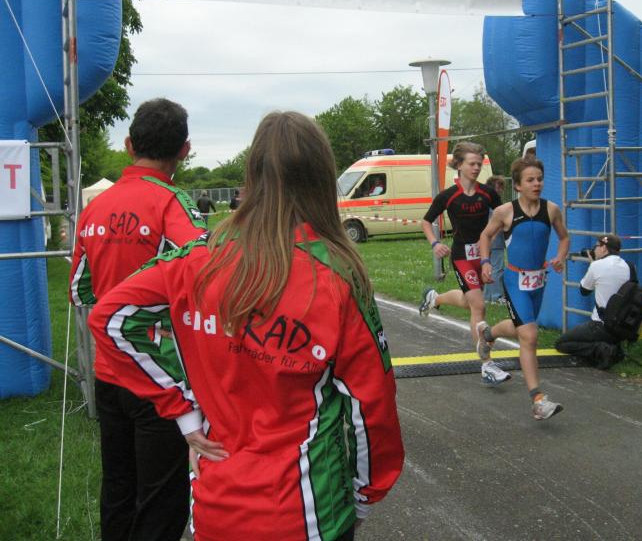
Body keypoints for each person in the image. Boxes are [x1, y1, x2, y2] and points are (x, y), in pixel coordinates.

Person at [87, 111, 404, 541]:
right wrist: (366, 494)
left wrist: (184, 413)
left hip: (216, 510)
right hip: (309, 516)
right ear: (321, 178)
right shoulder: (337, 276)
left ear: (252, 175)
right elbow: (372, 406)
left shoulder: (198, 258)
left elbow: (109, 316)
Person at [69, 98, 206, 541]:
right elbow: (204, 275)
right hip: (159, 372)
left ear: (129, 145)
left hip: (109, 371)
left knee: (119, 486)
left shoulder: (95, 207)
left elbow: (79, 290)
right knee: (161, 499)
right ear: (184, 150)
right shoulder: (172, 202)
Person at [477, 156, 569, 420]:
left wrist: (560, 256)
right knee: (529, 335)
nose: (537, 184)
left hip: (538, 280)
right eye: (530, 180)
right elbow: (486, 235)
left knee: (521, 327)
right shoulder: (505, 211)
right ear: (517, 185)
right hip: (515, 280)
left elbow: (564, 237)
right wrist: (485, 262)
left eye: (539, 179)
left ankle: (488, 334)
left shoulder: (551, 210)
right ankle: (538, 400)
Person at [417, 141, 509, 385]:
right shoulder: (448, 196)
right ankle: (487, 365)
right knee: (478, 305)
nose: (477, 168)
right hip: (461, 257)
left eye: (479, 164)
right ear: (459, 165)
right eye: (472, 164)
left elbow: (504, 218)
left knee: (469, 302)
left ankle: (435, 298)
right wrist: (435, 243)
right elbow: (426, 221)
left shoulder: (488, 193)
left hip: (483, 256)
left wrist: (495, 238)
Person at [555, 234, 632, 369]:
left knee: (561, 343)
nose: (594, 250)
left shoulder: (597, 265)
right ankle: (613, 347)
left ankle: (601, 349)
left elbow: (584, 291)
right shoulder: (628, 265)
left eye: (596, 246)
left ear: (604, 248)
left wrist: (592, 264)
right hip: (622, 326)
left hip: (600, 326)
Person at [483, 175, 506, 303]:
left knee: (489, 268)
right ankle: (497, 297)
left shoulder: (484, 202)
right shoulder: (495, 206)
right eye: (499, 187)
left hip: (488, 241)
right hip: (495, 241)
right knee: (497, 268)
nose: (501, 190)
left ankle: (487, 296)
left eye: (502, 187)